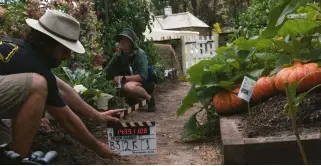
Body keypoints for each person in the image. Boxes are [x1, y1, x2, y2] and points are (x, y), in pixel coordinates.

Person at [0, 10, 122, 158]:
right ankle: (17, 161)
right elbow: (66, 119)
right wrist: (98, 147)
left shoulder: (21, 49)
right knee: (37, 85)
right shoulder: (33, 66)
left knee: (5, 143)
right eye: (65, 50)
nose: (67, 57)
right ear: (48, 44)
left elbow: (61, 88)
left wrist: (97, 115)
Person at [104, 28, 156, 112]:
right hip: (128, 82)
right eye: (121, 40)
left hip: (146, 84)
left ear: (131, 43)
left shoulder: (140, 54)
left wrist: (122, 78)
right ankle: (133, 100)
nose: (122, 42)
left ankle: (149, 98)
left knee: (129, 87)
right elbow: (107, 71)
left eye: (126, 40)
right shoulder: (118, 56)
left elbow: (142, 76)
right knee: (115, 88)